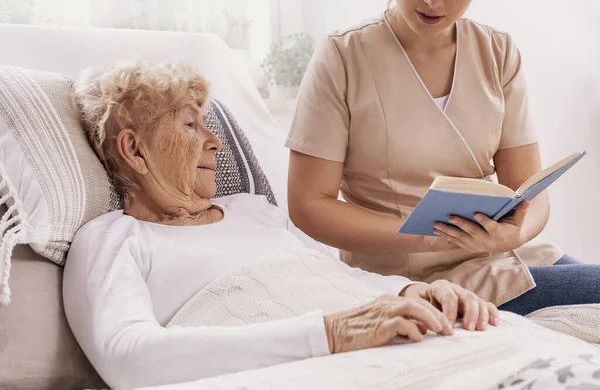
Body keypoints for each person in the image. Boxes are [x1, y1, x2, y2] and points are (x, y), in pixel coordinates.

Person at [63, 61, 497, 389]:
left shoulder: (255, 210)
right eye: (191, 125)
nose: (214, 142)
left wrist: (410, 293)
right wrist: (330, 333)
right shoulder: (114, 240)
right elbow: (128, 359)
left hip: (415, 350)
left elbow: (336, 276)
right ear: (134, 150)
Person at [286, 0, 600, 316]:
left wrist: (510, 235)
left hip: (496, 260)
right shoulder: (343, 55)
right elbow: (308, 204)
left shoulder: (497, 51)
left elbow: (529, 190)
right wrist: (425, 239)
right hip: (409, 279)